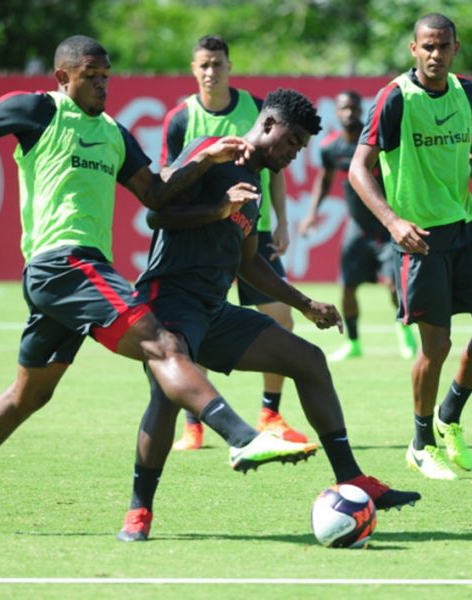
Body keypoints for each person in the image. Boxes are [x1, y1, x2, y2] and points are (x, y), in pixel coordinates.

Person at [0, 36, 317, 535]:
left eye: (106, 74)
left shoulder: (115, 134)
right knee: (163, 344)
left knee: (26, 397)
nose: (101, 83)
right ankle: (242, 435)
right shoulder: (37, 110)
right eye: (90, 74)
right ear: (63, 78)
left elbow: (157, 194)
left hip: (75, 275)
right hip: (63, 263)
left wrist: (205, 160)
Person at [117, 88, 421, 542]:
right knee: (164, 400)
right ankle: (139, 513)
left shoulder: (255, 186)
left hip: (215, 310)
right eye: (291, 142)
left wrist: (306, 304)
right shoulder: (210, 152)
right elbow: (158, 215)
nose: (293, 155)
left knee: (310, 361)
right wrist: (218, 208)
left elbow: (249, 262)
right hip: (169, 300)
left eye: (300, 149)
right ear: (267, 125)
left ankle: (353, 479)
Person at [349, 13, 472, 480]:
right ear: (413, 49)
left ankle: (449, 415)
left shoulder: (466, 92)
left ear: (455, 49)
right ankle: (420, 443)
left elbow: (462, 148)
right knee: (435, 345)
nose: (436, 55)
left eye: (443, 46)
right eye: (427, 47)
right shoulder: (396, 98)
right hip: (419, 240)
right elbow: (360, 169)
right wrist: (393, 221)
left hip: (465, 228)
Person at [160, 35, 306, 451]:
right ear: (194, 68)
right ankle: (194, 423)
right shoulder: (180, 118)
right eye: (204, 65)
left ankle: (270, 413)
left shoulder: (256, 108)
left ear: (229, 66)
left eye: (218, 64)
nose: (211, 72)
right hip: (205, 234)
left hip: (250, 229)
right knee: (196, 324)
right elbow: (170, 181)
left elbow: (275, 169)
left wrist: (281, 219)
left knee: (281, 316)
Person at [299, 91, 418, 362]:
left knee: (391, 286)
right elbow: (325, 179)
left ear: (361, 110)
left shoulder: (375, 144)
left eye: (353, 108)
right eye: (343, 108)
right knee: (347, 287)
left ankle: (404, 334)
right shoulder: (331, 147)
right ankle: (353, 343)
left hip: (386, 227)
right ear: (336, 113)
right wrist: (311, 214)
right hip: (357, 228)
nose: (348, 113)